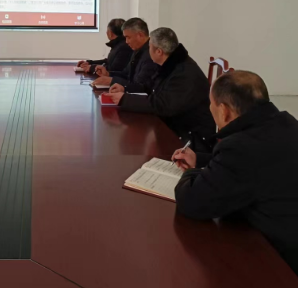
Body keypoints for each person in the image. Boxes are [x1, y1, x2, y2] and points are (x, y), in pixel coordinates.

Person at [173, 71, 298, 275]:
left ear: (224, 111)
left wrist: (193, 171)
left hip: (280, 263)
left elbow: (192, 201)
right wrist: (201, 160)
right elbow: (251, 167)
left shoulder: (240, 147)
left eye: (211, 105)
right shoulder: (287, 123)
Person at [105, 28, 216, 152]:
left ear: (159, 51)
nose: (148, 50)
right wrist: (124, 88)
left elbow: (162, 104)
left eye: (149, 47)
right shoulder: (171, 63)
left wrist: (125, 99)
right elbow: (149, 87)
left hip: (191, 139)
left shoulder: (184, 73)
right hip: (174, 127)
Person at [92, 18, 158, 89]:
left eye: (128, 37)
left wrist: (112, 81)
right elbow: (126, 74)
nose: (126, 42)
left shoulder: (151, 54)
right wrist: (108, 74)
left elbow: (142, 86)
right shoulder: (137, 50)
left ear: (140, 35)